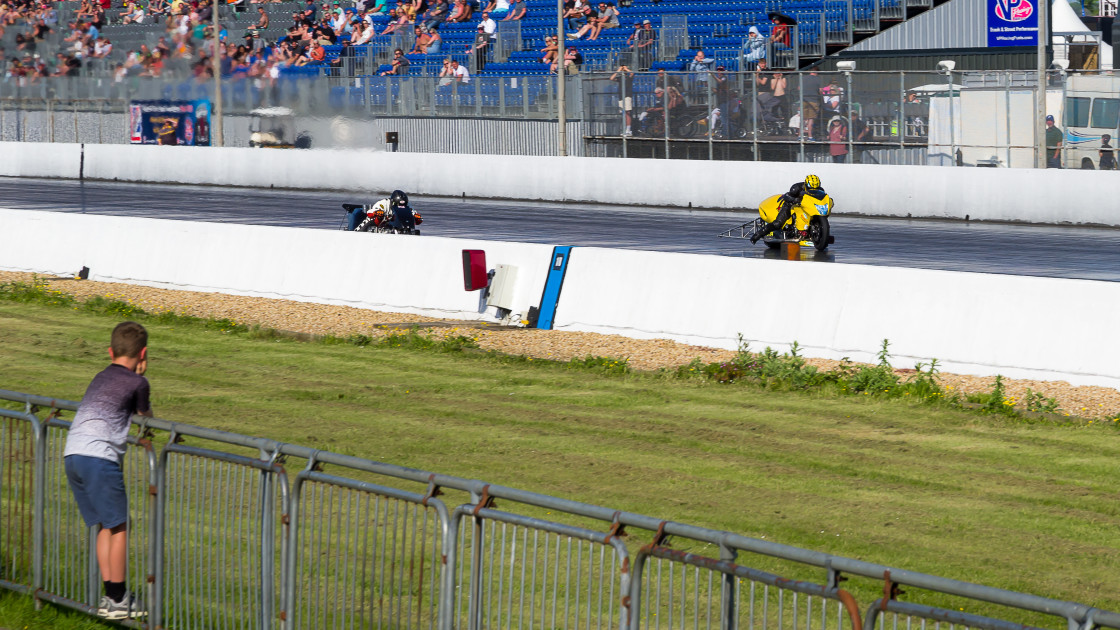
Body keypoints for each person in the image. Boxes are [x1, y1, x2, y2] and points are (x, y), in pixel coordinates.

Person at [64, 321, 152, 620]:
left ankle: (109, 596)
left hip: (73, 453)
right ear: (143, 354)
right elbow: (145, 413)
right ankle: (118, 598)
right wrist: (142, 376)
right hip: (100, 458)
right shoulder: (138, 382)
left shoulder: (100, 375)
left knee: (105, 525)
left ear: (110, 351)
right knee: (120, 526)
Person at [751, 174, 826, 243]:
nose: (813, 190)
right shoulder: (796, 188)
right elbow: (786, 196)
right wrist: (795, 200)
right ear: (806, 184)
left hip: (806, 206)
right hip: (790, 205)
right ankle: (757, 236)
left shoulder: (820, 190)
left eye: (816, 188)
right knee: (777, 223)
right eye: (811, 188)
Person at [609, 64, 635, 136]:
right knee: (623, 113)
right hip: (621, 96)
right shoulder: (620, 78)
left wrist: (626, 69)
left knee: (627, 112)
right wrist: (618, 70)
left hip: (627, 96)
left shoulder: (629, 77)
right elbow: (611, 78)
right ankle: (625, 128)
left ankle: (628, 130)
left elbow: (632, 73)